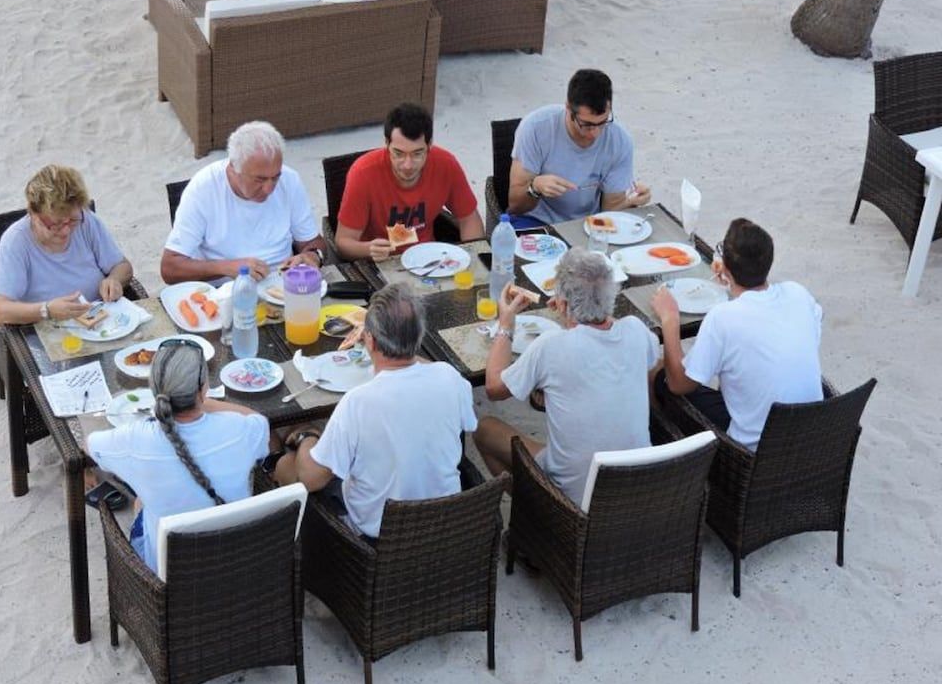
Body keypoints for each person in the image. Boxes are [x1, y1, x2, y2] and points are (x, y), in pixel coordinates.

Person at [274, 284, 476, 539]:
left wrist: (307, 436)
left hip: (378, 536)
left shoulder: (358, 402)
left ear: (369, 339)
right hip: (444, 523)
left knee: (286, 465)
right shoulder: (449, 378)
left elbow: (311, 478)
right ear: (420, 335)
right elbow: (459, 413)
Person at [474, 249, 659, 505]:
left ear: (561, 304)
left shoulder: (550, 345)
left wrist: (506, 322)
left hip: (576, 503)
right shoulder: (637, 331)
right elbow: (608, 325)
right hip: (637, 486)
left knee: (485, 430)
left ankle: (539, 520)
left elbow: (494, 387)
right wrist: (589, 308)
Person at [87, 339, 269, 573]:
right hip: (238, 566)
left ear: (154, 390)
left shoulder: (135, 438)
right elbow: (258, 421)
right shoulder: (239, 429)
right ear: (203, 387)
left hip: (170, 579)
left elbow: (89, 445)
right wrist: (208, 404)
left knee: (142, 500)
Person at [651, 218, 823, 450]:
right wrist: (734, 284)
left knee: (658, 374)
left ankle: (674, 460)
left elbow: (679, 384)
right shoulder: (798, 294)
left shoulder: (723, 318)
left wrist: (670, 320)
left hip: (751, 453)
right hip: (811, 437)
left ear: (729, 268)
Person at [161, 121, 325, 284]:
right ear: (233, 168)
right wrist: (225, 268)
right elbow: (170, 268)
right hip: (224, 291)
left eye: (275, 177)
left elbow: (312, 241)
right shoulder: (204, 188)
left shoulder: (290, 179)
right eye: (259, 179)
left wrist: (312, 256)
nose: (269, 189)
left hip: (282, 285)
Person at [335, 102, 484, 261]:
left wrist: (473, 258)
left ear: (429, 145)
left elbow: (469, 219)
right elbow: (343, 242)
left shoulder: (445, 164)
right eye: (398, 154)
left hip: (428, 257)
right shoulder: (363, 174)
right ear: (387, 144)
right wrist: (368, 249)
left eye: (417, 154)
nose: (408, 165)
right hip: (380, 264)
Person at [0, 164, 134, 326]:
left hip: (99, 319)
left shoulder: (86, 220)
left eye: (72, 221)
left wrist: (114, 279)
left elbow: (122, 266)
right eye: (55, 224)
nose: (66, 231)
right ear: (33, 214)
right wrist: (47, 310)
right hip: (49, 329)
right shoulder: (16, 241)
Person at [508, 68, 652, 228]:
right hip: (536, 221)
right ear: (568, 109)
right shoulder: (536, 128)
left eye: (603, 122)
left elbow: (610, 210)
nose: (595, 134)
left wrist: (631, 201)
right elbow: (515, 205)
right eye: (587, 124)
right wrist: (535, 187)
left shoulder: (620, 140)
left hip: (589, 224)